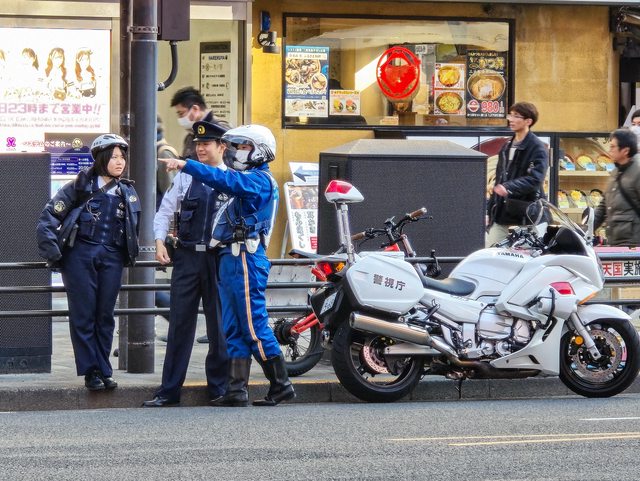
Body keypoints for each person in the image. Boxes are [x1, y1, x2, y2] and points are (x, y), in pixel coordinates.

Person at [160, 124, 295, 407]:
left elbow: (226, 181)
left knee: (253, 325)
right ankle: (236, 390)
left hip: (246, 256)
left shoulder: (259, 180)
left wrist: (187, 165)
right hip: (229, 257)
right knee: (232, 326)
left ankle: (281, 384)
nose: (239, 152)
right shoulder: (247, 177)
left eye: (244, 147)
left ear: (260, 150)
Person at [36, 134, 141, 391]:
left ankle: (104, 369)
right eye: (114, 157)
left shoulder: (127, 191)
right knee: (83, 315)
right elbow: (48, 218)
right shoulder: (80, 185)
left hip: (112, 257)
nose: (120, 162)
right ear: (101, 159)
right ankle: (90, 371)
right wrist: (54, 253)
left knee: (105, 315)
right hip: (80, 256)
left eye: (122, 157)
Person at [142, 121, 230, 407]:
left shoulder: (232, 178)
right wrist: (158, 241)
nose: (200, 149)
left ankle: (219, 389)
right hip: (187, 257)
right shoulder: (185, 176)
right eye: (197, 144)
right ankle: (169, 391)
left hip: (219, 259)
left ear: (222, 147)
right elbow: (165, 211)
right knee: (179, 325)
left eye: (206, 144)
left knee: (219, 327)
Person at [486, 102, 549, 247]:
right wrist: (489, 210)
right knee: (492, 251)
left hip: (526, 212)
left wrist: (508, 187)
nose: (511, 119)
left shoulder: (537, 148)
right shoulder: (506, 146)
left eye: (516, 116)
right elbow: (499, 179)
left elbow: (535, 179)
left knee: (527, 254)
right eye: (510, 115)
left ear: (528, 121)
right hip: (502, 211)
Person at [594, 128, 640, 246]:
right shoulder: (616, 171)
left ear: (625, 151)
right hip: (616, 241)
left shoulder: (638, 171)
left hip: (633, 245)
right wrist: (585, 229)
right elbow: (604, 205)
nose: (610, 150)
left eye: (613, 147)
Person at [170, 86, 232, 161]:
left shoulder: (222, 131)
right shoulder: (191, 136)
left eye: (181, 113)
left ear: (195, 109)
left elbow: (232, 163)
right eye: (198, 144)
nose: (180, 118)